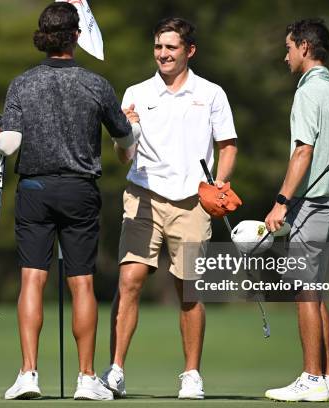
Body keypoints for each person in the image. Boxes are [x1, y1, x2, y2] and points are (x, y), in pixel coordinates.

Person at [0, 2, 139, 401]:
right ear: (77, 36)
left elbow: (10, 144)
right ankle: (87, 379)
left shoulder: (22, 83)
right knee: (82, 283)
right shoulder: (97, 84)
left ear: (42, 36)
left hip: (35, 190)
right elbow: (124, 138)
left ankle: (27, 374)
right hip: (79, 191)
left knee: (32, 279)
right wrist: (133, 127)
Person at [101, 17, 239, 400]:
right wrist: (125, 133)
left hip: (193, 201)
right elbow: (122, 156)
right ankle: (115, 370)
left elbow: (227, 145)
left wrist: (219, 184)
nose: (163, 54)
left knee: (189, 290)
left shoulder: (211, 93)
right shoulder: (136, 92)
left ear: (189, 51)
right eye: (159, 47)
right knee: (129, 281)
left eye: (171, 48)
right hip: (143, 196)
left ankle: (191, 374)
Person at [263, 18, 329, 402]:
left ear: (304, 47)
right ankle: (328, 377)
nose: (285, 55)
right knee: (315, 292)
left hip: (310, 205)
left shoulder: (308, 94)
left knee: (305, 292)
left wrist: (281, 202)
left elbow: (302, 152)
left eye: (288, 48)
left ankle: (310, 377)